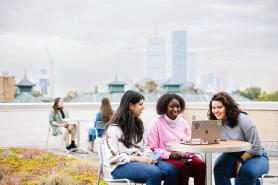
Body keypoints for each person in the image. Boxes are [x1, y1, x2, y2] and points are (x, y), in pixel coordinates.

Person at [103, 90, 179, 185]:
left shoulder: (138, 125)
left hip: (140, 161)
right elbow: (112, 158)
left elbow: (145, 147)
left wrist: (147, 157)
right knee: (153, 172)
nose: (143, 107)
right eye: (140, 104)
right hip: (119, 167)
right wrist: (137, 158)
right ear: (131, 106)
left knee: (172, 170)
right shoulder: (113, 129)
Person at [208, 92, 269, 185]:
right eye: (214, 108)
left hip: (256, 156)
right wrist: (191, 138)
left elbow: (256, 147)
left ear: (228, 107)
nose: (216, 111)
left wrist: (240, 161)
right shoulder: (215, 122)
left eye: (219, 107)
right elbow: (207, 137)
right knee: (219, 169)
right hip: (231, 156)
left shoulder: (243, 120)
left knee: (247, 172)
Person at [148, 93, 206, 185]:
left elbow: (191, 143)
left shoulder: (183, 122)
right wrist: (169, 155)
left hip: (184, 155)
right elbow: (152, 149)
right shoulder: (156, 123)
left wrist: (181, 154)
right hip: (165, 158)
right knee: (181, 168)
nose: (175, 109)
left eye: (178, 106)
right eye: (172, 106)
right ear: (164, 107)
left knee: (200, 165)